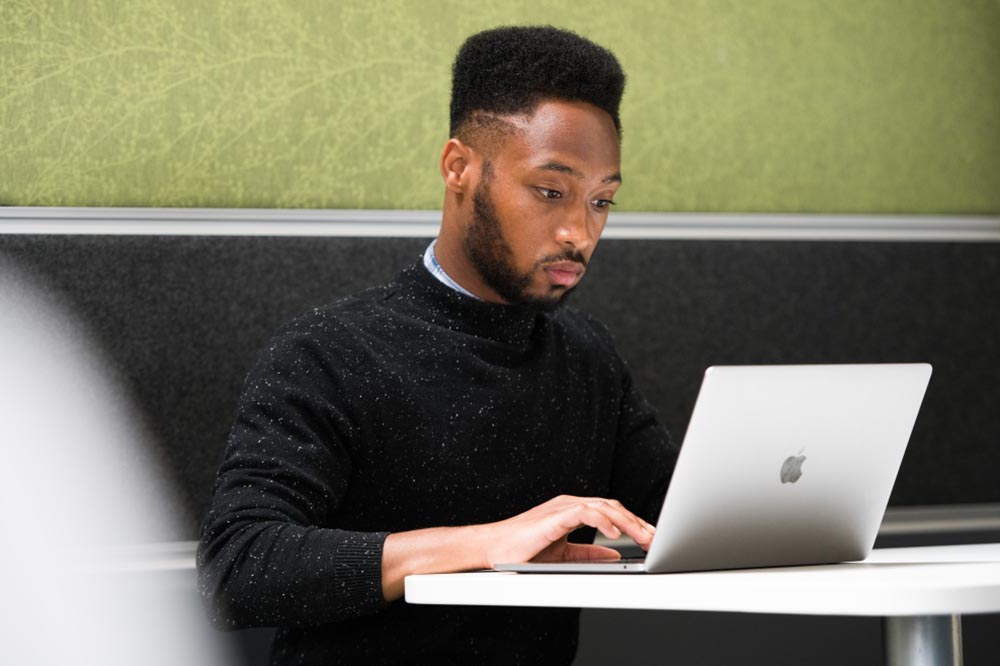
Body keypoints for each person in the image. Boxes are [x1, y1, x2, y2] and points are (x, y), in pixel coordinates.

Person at [198, 25, 678, 665]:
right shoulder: (330, 351)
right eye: (550, 191)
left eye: (602, 201)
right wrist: (484, 544)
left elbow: (679, 515)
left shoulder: (586, 358)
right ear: (459, 167)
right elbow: (237, 569)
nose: (579, 232)